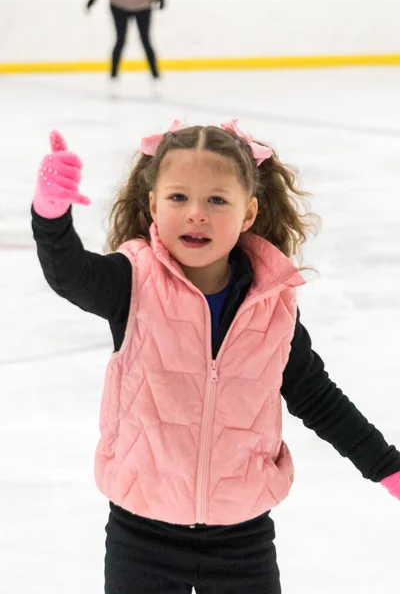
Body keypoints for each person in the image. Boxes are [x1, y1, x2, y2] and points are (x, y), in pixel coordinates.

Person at [31, 120, 400, 594]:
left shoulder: (272, 306)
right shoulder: (132, 283)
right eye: (179, 197)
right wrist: (50, 216)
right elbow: (70, 275)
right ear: (153, 206)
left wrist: (387, 467)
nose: (196, 215)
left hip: (242, 540)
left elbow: (318, 398)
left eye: (217, 200)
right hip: (141, 535)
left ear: (248, 213)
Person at [86, 0, 164, 83]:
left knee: (145, 40)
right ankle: (113, 75)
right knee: (121, 40)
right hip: (119, 5)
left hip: (142, 6)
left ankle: (155, 75)